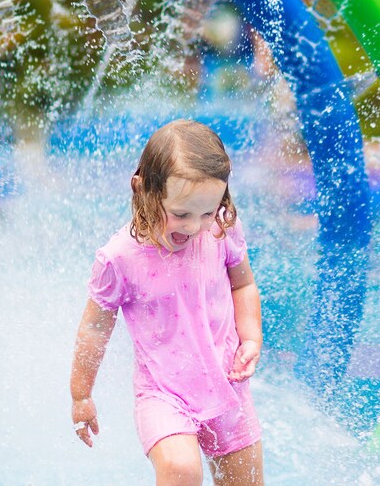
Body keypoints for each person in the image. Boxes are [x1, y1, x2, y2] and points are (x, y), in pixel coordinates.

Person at [70, 119, 264, 485]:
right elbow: (95, 329)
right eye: (181, 214)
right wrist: (81, 395)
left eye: (207, 212)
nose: (195, 226)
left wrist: (251, 337)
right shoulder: (119, 259)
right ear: (143, 190)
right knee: (180, 470)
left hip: (227, 383)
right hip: (163, 393)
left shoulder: (222, 227)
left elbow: (243, 284)